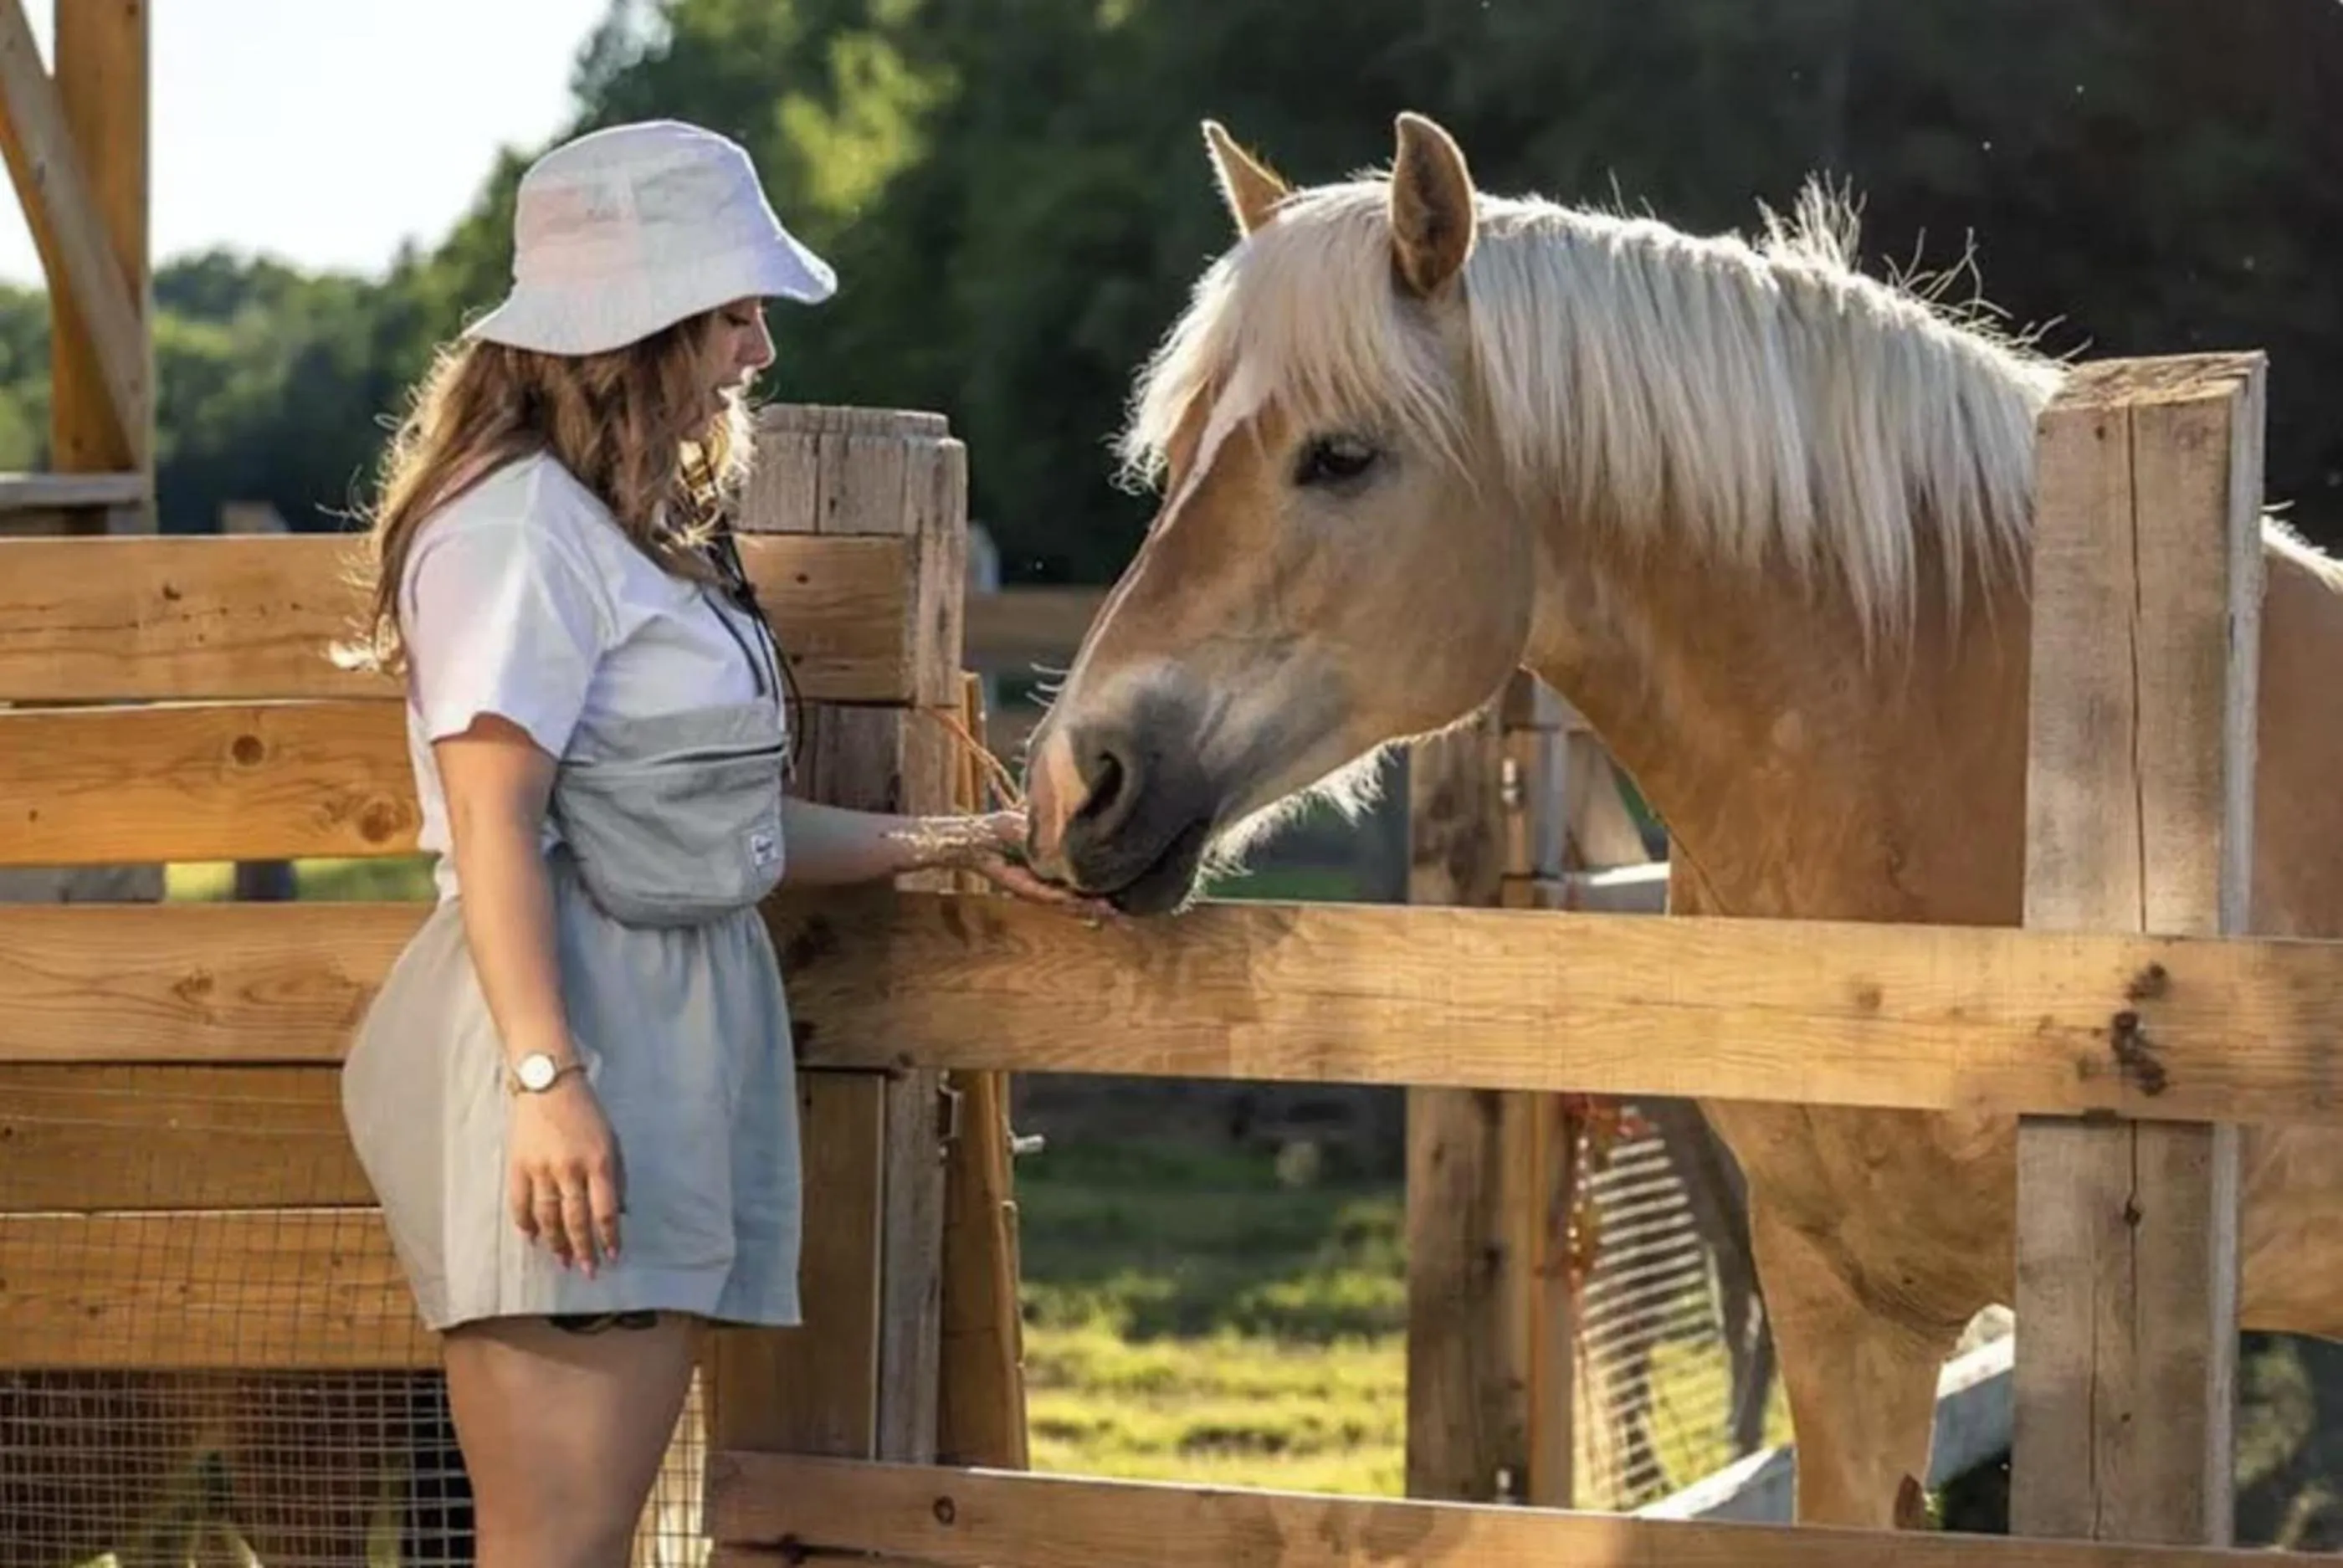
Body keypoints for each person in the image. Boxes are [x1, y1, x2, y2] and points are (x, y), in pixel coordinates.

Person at [336, 120, 1095, 1567]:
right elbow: (493, 823)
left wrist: (960, 836)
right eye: (737, 312)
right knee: (556, 1540)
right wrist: (549, 1084)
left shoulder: (618, 529)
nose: (761, 349)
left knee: (588, 1535)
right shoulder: (517, 532)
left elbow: (709, 835)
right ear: (640, 328)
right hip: (576, 1044)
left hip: (647, 1044)